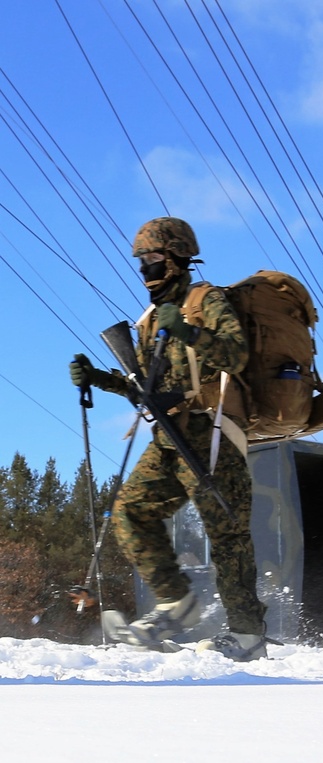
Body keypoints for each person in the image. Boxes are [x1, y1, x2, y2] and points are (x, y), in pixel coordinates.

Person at [69, 217, 268, 661]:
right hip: (170, 436)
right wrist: (99, 379)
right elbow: (144, 386)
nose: (146, 270)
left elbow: (236, 354)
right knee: (130, 511)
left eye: (154, 259)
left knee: (228, 536)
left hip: (212, 432)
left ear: (178, 258)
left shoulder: (205, 300)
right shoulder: (148, 320)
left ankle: (248, 637)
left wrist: (188, 331)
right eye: (142, 261)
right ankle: (175, 601)